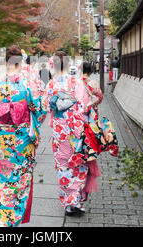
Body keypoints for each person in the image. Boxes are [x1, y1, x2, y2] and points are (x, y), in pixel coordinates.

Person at [0, 46, 47, 227]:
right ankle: (14, 221)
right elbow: (41, 111)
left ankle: (4, 222)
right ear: (21, 62)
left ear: (6, 61)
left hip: (2, 142)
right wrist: (31, 127)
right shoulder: (30, 86)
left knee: (3, 184)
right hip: (24, 142)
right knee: (22, 183)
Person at [44, 51, 96, 217]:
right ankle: (77, 201)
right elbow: (85, 106)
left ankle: (69, 203)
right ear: (68, 65)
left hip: (60, 130)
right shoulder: (77, 82)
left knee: (63, 164)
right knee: (79, 162)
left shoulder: (51, 85)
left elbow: (46, 107)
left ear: (53, 65)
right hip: (77, 128)